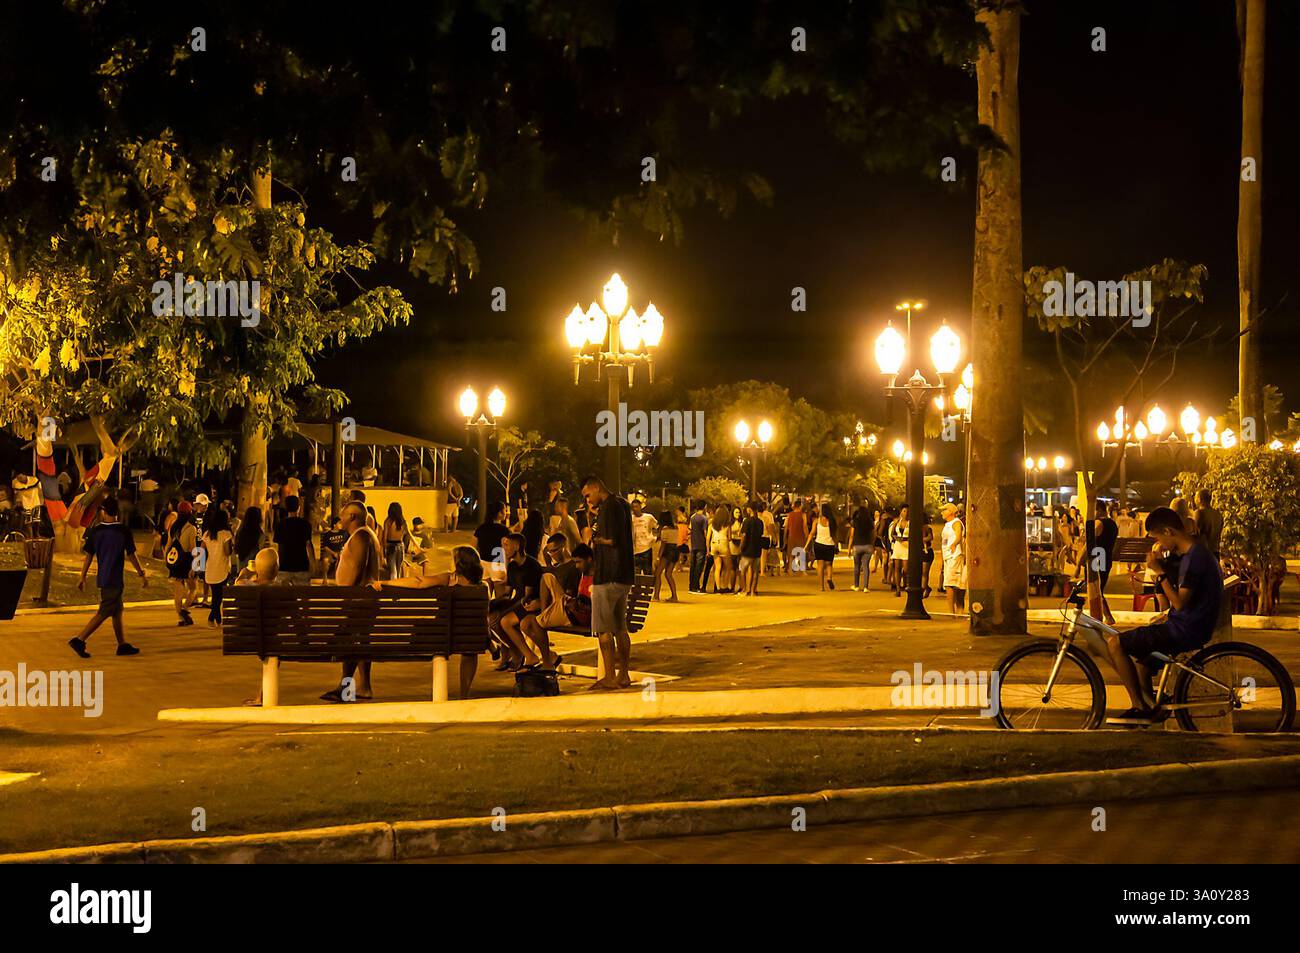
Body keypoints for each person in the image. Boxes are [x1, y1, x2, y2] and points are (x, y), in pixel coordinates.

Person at [1105, 506, 1223, 724]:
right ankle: (1153, 709)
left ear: (1168, 532)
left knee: (1114, 643)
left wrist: (1159, 573)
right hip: (1187, 625)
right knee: (1143, 664)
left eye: (1157, 537)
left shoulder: (1195, 558)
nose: (1157, 543)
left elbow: (1178, 602)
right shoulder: (1193, 553)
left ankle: (1139, 707)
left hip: (1185, 630)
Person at [373, 546, 487, 698]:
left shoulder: (449, 579)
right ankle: (464, 694)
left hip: (442, 636)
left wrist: (386, 582)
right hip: (470, 639)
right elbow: (482, 616)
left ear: (459, 564)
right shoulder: (483, 587)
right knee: (470, 649)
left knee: (424, 625)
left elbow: (419, 582)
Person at [321, 500, 384, 703]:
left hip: (358, 599)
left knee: (349, 643)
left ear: (353, 517)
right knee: (360, 641)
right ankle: (364, 687)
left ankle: (346, 689)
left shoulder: (361, 536)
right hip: (363, 599)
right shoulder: (366, 534)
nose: (340, 517)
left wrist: (346, 594)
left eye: (344, 513)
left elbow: (358, 567)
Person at [68, 496, 147, 658]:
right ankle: (79, 639)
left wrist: (82, 576)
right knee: (104, 612)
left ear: (104, 512)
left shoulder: (96, 531)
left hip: (104, 577)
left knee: (117, 611)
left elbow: (89, 555)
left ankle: (122, 645)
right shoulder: (123, 531)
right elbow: (132, 554)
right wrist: (141, 573)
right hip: (114, 578)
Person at [582, 475, 634, 691]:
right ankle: (623, 675)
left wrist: (593, 539)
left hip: (608, 575)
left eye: (587, 495)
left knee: (603, 629)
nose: (587, 500)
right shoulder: (621, 503)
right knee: (620, 628)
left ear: (596, 488)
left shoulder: (607, 508)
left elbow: (611, 540)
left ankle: (609, 677)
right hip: (624, 575)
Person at [487, 533, 547, 670]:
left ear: (517, 546)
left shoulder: (531, 566)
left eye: (507, 546)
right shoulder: (513, 566)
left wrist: (506, 610)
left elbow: (527, 596)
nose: (505, 549)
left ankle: (526, 655)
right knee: (491, 619)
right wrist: (494, 603)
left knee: (504, 621)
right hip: (518, 602)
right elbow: (508, 593)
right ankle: (516, 651)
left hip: (531, 604)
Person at [164, 501, 198, 626]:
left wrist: (166, 559)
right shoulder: (191, 528)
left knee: (178, 591)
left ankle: (181, 618)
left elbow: (168, 544)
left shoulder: (173, 526)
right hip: (187, 560)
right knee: (193, 588)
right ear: (190, 512)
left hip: (175, 558)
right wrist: (196, 564)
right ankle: (185, 609)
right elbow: (193, 548)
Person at [201, 507, 234, 626]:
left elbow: (201, 550)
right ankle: (212, 619)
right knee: (218, 596)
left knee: (216, 594)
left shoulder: (207, 533)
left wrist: (197, 566)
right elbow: (227, 552)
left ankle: (217, 620)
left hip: (210, 567)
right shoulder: (226, 534)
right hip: (222, 567)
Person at [273, 495, 316, 586]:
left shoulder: (280, 525)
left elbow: (278, 547)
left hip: (285, 566)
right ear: (298, 507)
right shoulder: (305, 524)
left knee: (284, 597)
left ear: (286, 508)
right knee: (303, 595)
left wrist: (276, 565)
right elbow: (308, 544)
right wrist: (313, 563)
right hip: (302, 565)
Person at [474, 501, 511, 594]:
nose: (506, 513)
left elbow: (474, 548)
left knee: (486, 597)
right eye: (504, 511)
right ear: (499, 513)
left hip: (484, 564)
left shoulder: (481, 528)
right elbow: (507, 551)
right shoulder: (504, 531)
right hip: (498, 564)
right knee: (500, 599)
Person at [1093, 500, 1120, 625]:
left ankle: (1106, 616)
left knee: (1095, 588)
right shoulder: (1113, 524)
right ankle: (1104, 615)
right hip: (1106, 556)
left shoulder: (1099, 523)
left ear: (1098, 509)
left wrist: (1079, 564)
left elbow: (1090, 542)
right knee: (1099, 588)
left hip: (1097, 556)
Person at [805, 502, 838, 591]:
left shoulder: (817, 521)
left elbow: (812, 533)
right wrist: (836, 545)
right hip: (830, 544)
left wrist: (806, 545)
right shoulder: (832, 521)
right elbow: (835, 535)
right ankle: (829, 578)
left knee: (820, 566)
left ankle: (821, 587)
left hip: (819, 544)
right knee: (829, 564)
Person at [940, 502, 966, 614]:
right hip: (948, 556)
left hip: (954, 555)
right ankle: (954, 611)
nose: (941, 512)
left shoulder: (956, 523)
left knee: (951, 584)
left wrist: (954, 544)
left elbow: (959, 535)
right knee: (952, 584)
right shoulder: (947, 524)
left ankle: (954, 612)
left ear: (950, 512)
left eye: (944, 510)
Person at [739, 502, 765, 596]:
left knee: (742, 570)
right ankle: (753, 590)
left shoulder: (747, 521)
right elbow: (761, 535)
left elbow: (744, 536)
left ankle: (745, 589)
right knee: (755, 571)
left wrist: (741, 547)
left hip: (747, 550)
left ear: (749, 509)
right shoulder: (760, 522)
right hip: (757, 549)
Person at [652, 510, 680, 602]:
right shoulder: (675, 527)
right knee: (668, 574)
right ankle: (674, 596)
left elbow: (663, 545)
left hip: (668, 551)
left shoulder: (665, 529)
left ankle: (656, 596)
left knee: (658, 573)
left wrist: (658, 557)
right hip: (675, 550)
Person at [381, 501, 410, 580]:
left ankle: (393, 588)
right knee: (398, 569)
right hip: (400, 546)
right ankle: (399, 587)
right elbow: (407, 535)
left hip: (390, 546)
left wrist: (383, 551)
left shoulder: (388, 522)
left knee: (393, 571)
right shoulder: (403, 522)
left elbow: (384, 538)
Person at [630, 498, 658, 577]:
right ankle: (637, 589)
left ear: (640, 507)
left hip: (647, 548)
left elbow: (657, 526)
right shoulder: (631, 519)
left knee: (647, 571)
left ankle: (648, 588)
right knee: (636, 573)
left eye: (636, 507)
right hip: (635, 550)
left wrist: (654, 538)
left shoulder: (648, 517)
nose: (635, 509)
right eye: (633, 507)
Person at [708, 504, 732, 593]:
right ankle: (725, 586)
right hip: (723, 544)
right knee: (728, 567)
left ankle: (718, 588)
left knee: (717, 567)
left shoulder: (712, 524)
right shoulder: (727, 524)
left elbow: (708, 538)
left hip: (714, 545)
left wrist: (708, 549)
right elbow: (729, 538)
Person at [850, 502, 874, 592]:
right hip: (868, 545)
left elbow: (851, 535)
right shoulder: (870, 522)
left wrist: (849, 547)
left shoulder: (855, 522)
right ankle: (865, 587)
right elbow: (873, 534)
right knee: (866, 566)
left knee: (856, 566)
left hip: (857, 546)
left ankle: (856, 586)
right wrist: (872, 544)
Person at [1194, 489, 1224, 559]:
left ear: (1199, 499)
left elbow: (1196, 534)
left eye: (1195, 497)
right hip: (1216, 553)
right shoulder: (1218, 515)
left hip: (1203, 555)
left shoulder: (1199, 513)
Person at [688, 500, 710, 593]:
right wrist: (707, 546)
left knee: (693, 565)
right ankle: (696, 585)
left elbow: (690, 529)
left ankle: (691, 585)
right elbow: (705, 532)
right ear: (704, 507)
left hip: (694, 544)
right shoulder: (704, 519)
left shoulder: (692, 517)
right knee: (699, 566)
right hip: (701, 544)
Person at [889, 505, 910, 596]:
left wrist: (906, 539)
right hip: (898, 545)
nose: (906, 513)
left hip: (907, 545)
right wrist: (896, 538)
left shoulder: (910, 523)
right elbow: (892, 533)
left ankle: (906, 584)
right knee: (897, 567)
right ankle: (897, 588)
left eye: (907, 511)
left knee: (906, 569)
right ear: (901, 512)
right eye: (904, 511)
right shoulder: (897, 522)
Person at [783, 499, 807, 573]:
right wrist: (807, 535)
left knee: (791, 553)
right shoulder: (803, 515)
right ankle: (802, 571)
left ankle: (790, 569)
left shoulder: (789, 515)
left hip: (791, 536)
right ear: (800, 506)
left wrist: (785, 538)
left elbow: (786, 527)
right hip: (800, 535)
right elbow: (805, 526)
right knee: (801, 553)